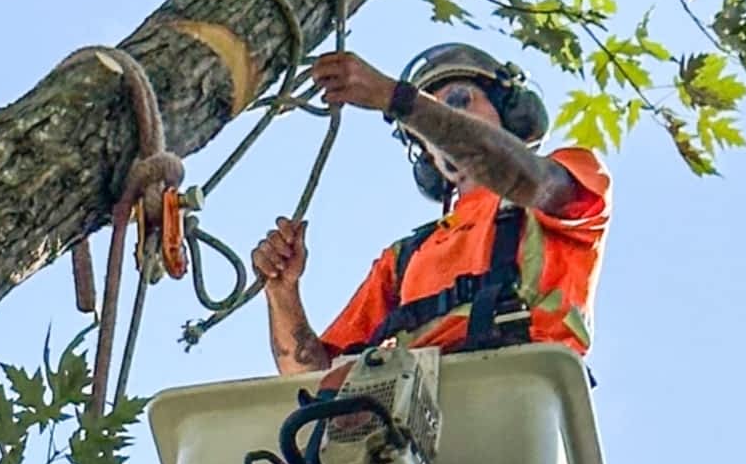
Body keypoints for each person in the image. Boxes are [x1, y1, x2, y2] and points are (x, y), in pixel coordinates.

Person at [251, 43, 612, 376]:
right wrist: (283, 294)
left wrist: (400, 100)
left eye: (459, 100)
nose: (440, 122)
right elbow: (312, 378)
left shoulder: (565, 183)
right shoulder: (406, 257)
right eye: (426, 124)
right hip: (411, 411)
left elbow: (533, 183)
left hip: (518, 390)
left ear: (509, 113)